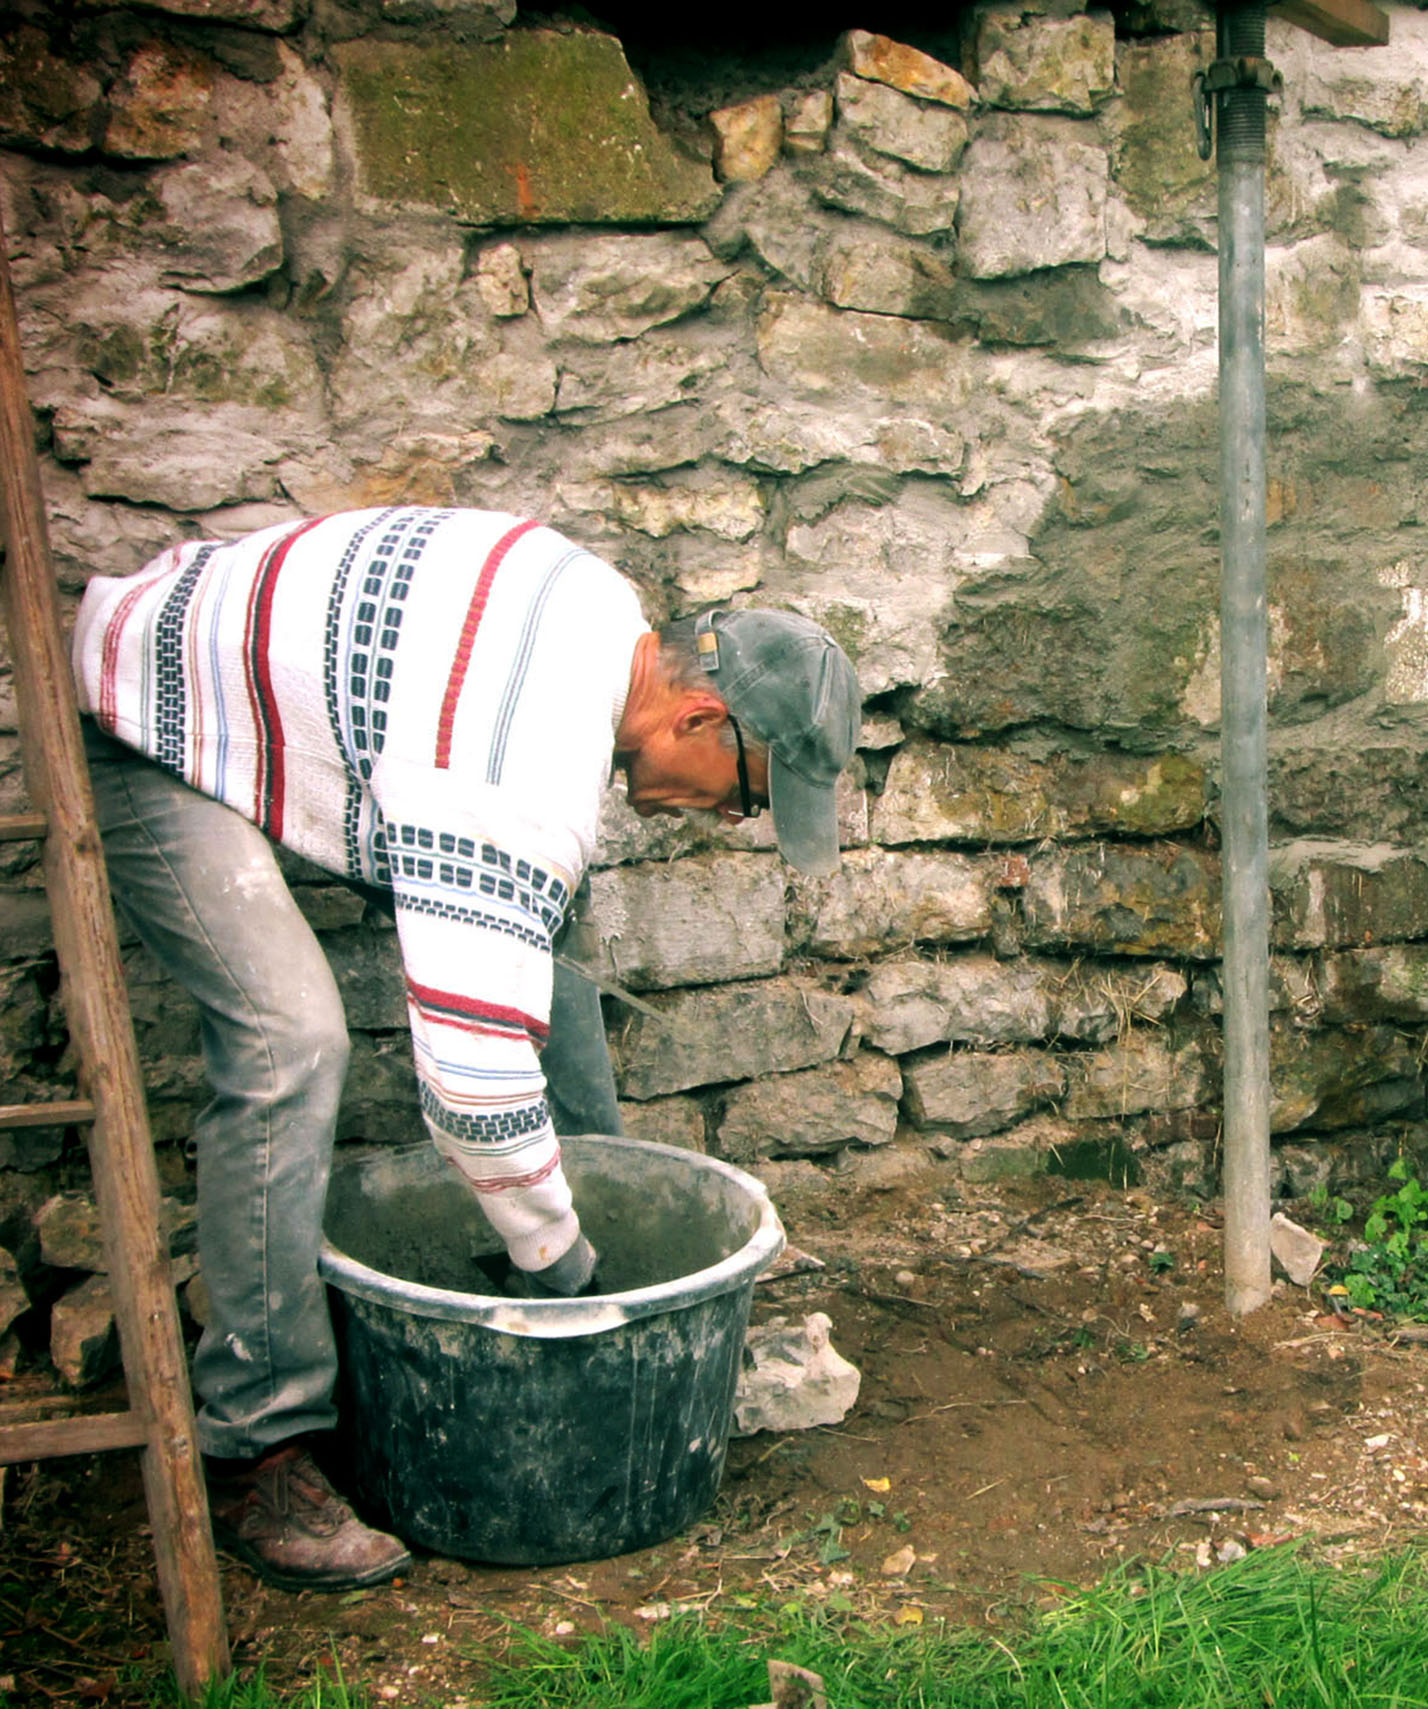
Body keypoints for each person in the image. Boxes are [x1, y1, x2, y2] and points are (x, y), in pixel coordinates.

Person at [70, 506, 860, 1589]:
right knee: (289, 1039)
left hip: (294, 707)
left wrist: (620, 1283)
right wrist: (557, 1267)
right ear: (699, 717)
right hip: (152, 713)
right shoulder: (517, 767)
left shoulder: (599, 621)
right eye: (750, 795)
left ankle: (603, 1262)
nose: (731, 821)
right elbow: (472, 1088)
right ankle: (258, 1443)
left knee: (548, 951)